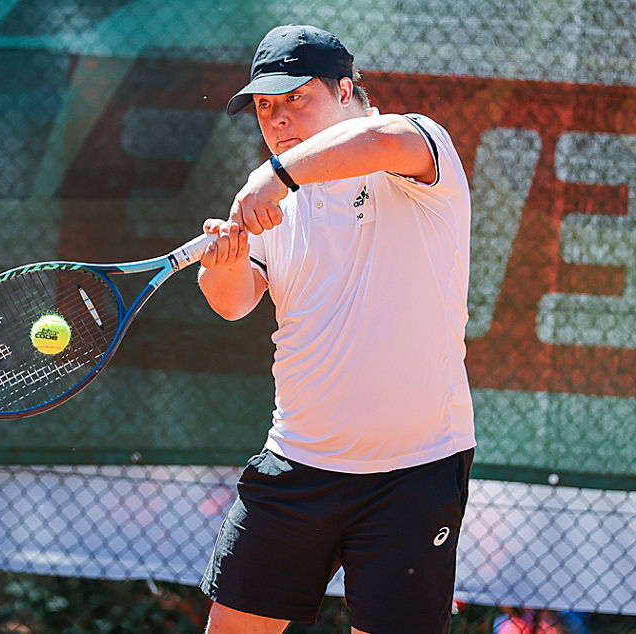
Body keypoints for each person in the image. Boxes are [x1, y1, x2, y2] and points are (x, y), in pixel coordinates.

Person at [197, 24, 476, 634]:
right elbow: (234, 303)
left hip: (413, 472)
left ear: (346, 89)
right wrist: (224, 266)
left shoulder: (418, 147)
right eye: (265, 107)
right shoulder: (277, 202)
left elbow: (380, 138)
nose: (277, 119)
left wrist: (275, 175)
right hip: (296, 464)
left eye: (296, 98)